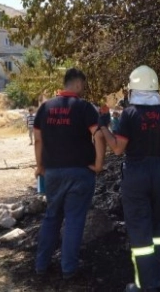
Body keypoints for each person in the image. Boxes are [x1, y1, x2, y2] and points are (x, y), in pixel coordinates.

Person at [98, 65, 160, 292]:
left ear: (134, 89)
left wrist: (103, 127)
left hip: (136, 174)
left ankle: (146, 283)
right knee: (159, 224)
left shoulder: (129, 114)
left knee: (140, 228)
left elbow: (117, 149)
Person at [34, 68, 105, 279]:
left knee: (51, 217)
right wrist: (99, 164)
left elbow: (38, 139)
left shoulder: (45, 107)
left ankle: (41, 265)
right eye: (82, 85)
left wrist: (40, 167)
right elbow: (99, 136)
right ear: (77, 84)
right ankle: (69, 269)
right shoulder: (84, 107)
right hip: (80, 172)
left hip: (53, 172)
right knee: (74, 220)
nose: (83, 89)